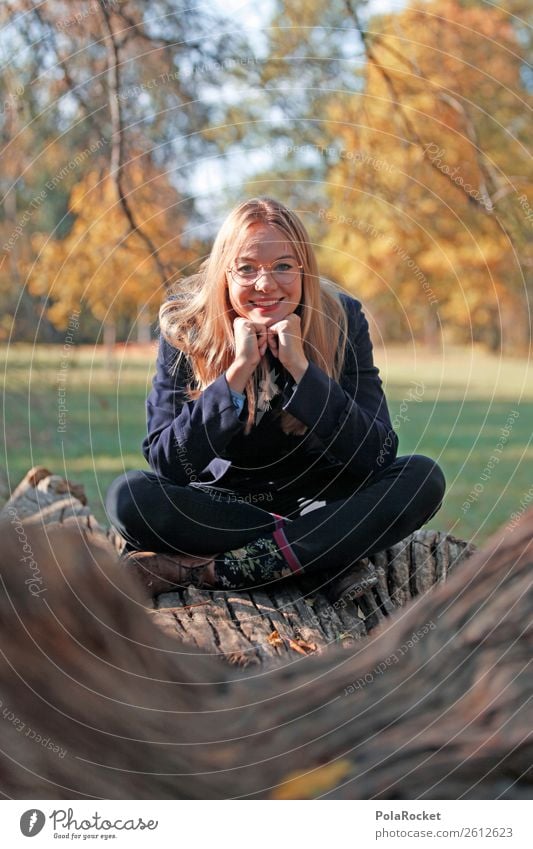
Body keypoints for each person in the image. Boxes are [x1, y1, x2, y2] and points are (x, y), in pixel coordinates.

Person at [105, 196, 446, 599]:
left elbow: (376, 454)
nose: (265, 284)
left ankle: (212, 571)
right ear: (224, 275)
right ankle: (328, 556)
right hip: (223, 506)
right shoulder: (186, 327)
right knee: (129, 499)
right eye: (247, 269)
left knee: (423, 477)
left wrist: (302, 370)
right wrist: (237, 373)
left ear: (304, 270)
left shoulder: (341, 319)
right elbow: (167, 464)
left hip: (318, 499)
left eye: (283, 266)